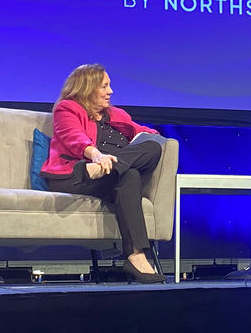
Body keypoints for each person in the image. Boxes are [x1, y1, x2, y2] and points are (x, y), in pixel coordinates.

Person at [40, 64, 166, 284]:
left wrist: (151, 137)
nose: (111, 91)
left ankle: (135, 255)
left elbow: (141, 132)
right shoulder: (67, 108)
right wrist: (96, 156)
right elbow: (73, 137)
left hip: (106, 173)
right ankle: (136, 255)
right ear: (87, 88)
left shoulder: (116, 114)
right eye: (105, 86)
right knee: (130, 176)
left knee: (149, 152)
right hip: (78, 173)